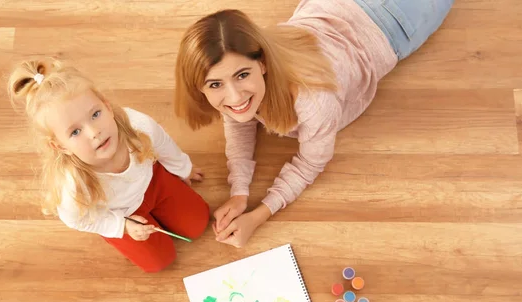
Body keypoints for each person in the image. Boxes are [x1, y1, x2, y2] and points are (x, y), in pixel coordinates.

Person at [174, 0, 454, 247]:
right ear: (200, 88)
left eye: (242, 75)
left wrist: (259, 216)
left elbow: (310, 164)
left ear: (262, 64)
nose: (234, 96)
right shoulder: (238, 65)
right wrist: (239, 192)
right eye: (215, 84)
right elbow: (239, 122)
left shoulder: (313, 101)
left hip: (395, 18)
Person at [8, 58, 210, 272]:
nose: (94, 132)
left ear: (107, 106)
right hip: (120, 213)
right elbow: (78, 220)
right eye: (75, 132)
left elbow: (163, 144)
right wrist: (121, 226)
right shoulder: (72, 185)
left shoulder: (138, 125)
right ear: (60, 146)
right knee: (160, 261)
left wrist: (183, 169)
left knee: (199, 223)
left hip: (154, 182)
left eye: (95, 114)